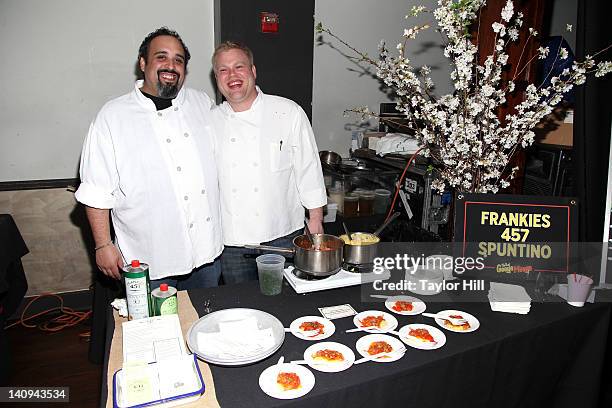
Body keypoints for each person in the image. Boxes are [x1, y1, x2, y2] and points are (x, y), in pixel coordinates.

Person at [75, 27, 223, 289]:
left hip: (206, 255)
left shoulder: (201, 104)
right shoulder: (113, 116)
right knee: (157, 329)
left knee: (205, 324)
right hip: (148, 259)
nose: (171, 65)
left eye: (179, 59)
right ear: (143, 63)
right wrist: (102, 244)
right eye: (161, 57)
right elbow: (96, 190)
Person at [210, 41, 327, 284]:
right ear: (217, 78)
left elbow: (308, 168)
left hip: (283, 235)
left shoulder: (287, 112)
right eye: (223, 70)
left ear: (253, 71)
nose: (232, 75)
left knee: (288, 304)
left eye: (239, 66)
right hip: (233, 243)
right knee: (242, 308)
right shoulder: (209, 121)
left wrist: (315, 219)